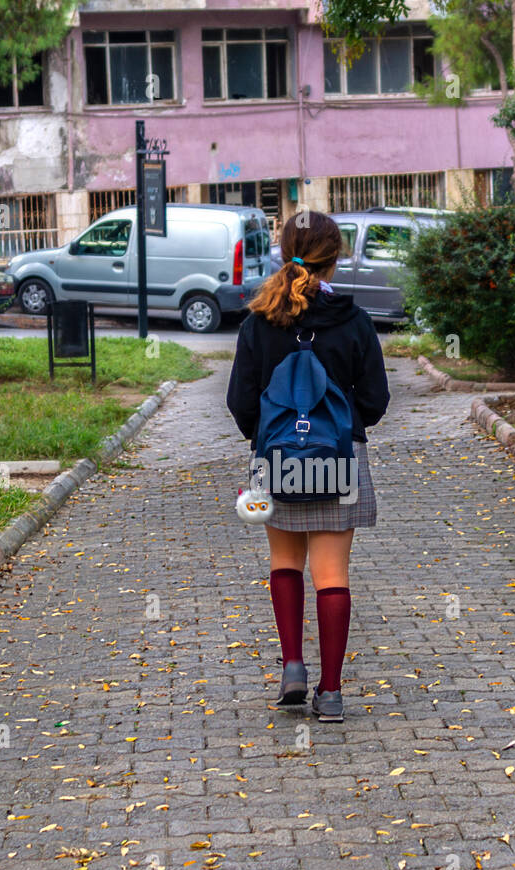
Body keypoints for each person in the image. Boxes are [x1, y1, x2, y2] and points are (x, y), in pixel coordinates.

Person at [226, 209, 390, 723]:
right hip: (339, 460)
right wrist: (344, 428)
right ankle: (333, 692)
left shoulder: (259, 321)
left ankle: (293, 666)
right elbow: (377, 399)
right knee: (332, 573)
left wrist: (266, 441)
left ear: (283, 253)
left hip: (276, 464)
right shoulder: (355, 321)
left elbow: (240, 400)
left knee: (284, 564)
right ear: (336, 260)